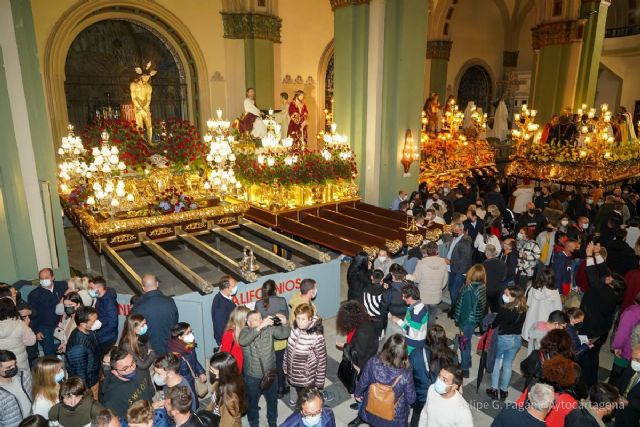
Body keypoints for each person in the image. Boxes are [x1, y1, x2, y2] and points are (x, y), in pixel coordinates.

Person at [350, 334, 416, 427]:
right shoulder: (406, 373)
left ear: (386, 346)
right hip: (394, 415)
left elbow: (363, 381)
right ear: (404, 352)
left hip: (373, 406)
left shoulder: (373, 361)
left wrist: (358, 394)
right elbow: (411, 399)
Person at [239, 310, 291, 427]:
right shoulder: (245, 332)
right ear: (248, 322)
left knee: (272, 401)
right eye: (256, 319)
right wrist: (260, 327)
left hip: (270, 374)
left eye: (260, 318)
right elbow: (243, 341)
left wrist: (285, 323)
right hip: (252, 377)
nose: (260, 321)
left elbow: (284, 334)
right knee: (252, 403)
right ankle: (254, 423)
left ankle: (272, 422)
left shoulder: (269, 329)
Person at [581, 242, 621, 386]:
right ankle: (592, 381)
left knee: (584, 356)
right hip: (602, 329)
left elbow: (592, 274)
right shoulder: (612, 292)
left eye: (610, 278)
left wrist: (588, 255)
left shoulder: (603, 292)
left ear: (611, 284)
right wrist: (597, 254)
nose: (607, 276)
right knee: (594, 355)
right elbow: (605, 273)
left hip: (590, 329)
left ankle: (583, 384)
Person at [409, 325, 457, 427]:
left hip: (420, 398)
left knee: (416, 417)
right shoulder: (452, 356)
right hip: (441, 398)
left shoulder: (415, 354)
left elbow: (409, 378)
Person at [487, 286, 527, 401]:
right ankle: (504, 390)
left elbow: (494, 324)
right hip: (517, 340)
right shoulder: (523, 309)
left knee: (496, 361)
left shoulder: (505, 310)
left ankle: (494, 389)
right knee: (508, 365)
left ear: (514, 297)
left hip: (503, 339)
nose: (504, 296)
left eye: (507, 294)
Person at [284, 303, 327, 403]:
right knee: (298, 396)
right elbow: (288, 349)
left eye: (303, 319)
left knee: (305, 402)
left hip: (306, 379)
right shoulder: (294, 329)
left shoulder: (317, 337)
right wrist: (285, 365)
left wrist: (319, 384)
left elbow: (322, 362)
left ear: (310, 319)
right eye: (298, 318)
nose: (299, 322)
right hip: (293, 374)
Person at [335, 300, 379, 393]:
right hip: (369, 352)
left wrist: (345, 346)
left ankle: (361, 397)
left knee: (362, 382)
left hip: (365, 361)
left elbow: (359, 353)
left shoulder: (363, 331)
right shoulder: (364, 320)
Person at [131, 274, 179, 355]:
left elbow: (136, 330)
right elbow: (175, 322)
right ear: (157, 284)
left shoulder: (138, 306)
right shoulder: (170, 301)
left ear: (143, 288)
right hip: (169, 346)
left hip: (150, 350)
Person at [453, 264, 487, 377]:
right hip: (474, 320)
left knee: (464, 344)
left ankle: (465, 368)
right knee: (467, 341)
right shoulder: (482, 286)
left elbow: (465, 310)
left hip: (466, 321)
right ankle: (468, 360)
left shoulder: (469, 289)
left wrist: (461, 326)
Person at [99, 347, 154, 418]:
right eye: (125, 368)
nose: (132, 368)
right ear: (115, 372)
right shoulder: (113, 397)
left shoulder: (139, 370)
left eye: (133, 363)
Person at [28, 268, 67, 356]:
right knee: (49, 352)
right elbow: (32, 315)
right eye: (41, 279)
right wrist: (36, 331)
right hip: (45, 326)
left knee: (70, 345)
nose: (44, 280)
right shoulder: (34, 295)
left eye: (46, 277)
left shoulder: (62, 286)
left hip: (63, 322)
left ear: (53, 277)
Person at [65, 306, 102, 394]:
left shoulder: (90, 331)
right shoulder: (78, 347)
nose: (97, 322)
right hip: (90, 383)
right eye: (93, 321)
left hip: (95, 375)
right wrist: (86, 391)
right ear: (83, 324)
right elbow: (79, 374)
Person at [168, 322, 206, 406]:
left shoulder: (188, 346)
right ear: (180, 337)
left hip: (191, 379)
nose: (191, 334)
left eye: (191, 331)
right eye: (188, 333)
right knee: (188, 403)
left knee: (194, 401)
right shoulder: (175, 354)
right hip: (183, 384)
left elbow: (194, 360)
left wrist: (201, 372)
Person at [412, 242, 448, 329]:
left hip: (424, 296)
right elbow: (445, 281)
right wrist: (438, 288)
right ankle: (430, 333)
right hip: (436, 296)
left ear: (427, 251)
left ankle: (422, 333)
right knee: (432, 315)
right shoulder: (443, 262)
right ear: (437, 251)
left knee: (423, 315)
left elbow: (416, 279)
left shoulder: (421, 263)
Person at [522, 269, 562, 343]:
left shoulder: (532, 288)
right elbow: (558, 309)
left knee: (530, 331)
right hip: (545, 319)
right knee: (541, 340)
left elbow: (528, 303)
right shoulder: (554, 293)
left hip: (532, 315)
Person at [207, 352, 245, 427]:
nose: (209, 371)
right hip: (217, 417)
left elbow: (225, 424)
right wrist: (207, 412)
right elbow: (214, 402)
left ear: (223, 372)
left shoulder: (230, 399)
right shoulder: (220, 381)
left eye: (212, 370)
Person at [390, 284, 428, 354]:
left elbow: (412, 333)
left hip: (412, 344)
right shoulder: (420, 305)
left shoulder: (416, 313)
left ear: (410, 297)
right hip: (416, 341)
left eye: (404, 297)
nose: (402, 298)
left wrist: (398, 321)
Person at [0, 298, 36, 372]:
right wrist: (26, 325)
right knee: (22, 381)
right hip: (19, 361)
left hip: (2, 363)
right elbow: (31, 341)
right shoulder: (20, 324)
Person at [0, 349, 32, 426]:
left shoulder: (24, 375)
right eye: (8, 367)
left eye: (15, 364)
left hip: (31, 421)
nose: (14, 368)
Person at [89, 277, 118, 358]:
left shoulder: (109, 303)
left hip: (106, 338)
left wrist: (97, 333)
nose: (90, 290)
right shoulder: (100, 298)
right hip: (102, 335)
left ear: (100, 288)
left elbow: (113, 324)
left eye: (91, 288)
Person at [446, 223, 473, 306]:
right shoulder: (454, 238)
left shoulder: (465, 242)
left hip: (460, 271)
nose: (454, 232)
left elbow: (464, 259)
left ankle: (455, 310)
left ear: (461, 230)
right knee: (451, 289)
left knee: (454, 291)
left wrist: (450, 262)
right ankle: (453, 307)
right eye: (453, 230)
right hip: (452, 268)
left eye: (456, 230)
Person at [613, 344, 640, 426]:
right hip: (620, 406)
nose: (634, 362)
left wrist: (629, 403)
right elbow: (622, 380)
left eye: (638, 360)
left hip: (634, 413)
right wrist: (615, 391)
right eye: (633, 358)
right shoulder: (632, 365)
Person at [380, 264, 410, 337]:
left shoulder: (388, 292)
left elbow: (383, 308)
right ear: (403, 276)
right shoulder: (411, 288)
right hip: (407, 318)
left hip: (393, 318)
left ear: (393, 277)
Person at [219, 305, 250, 373]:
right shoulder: (229, 334)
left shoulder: (245, 331)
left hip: (245, 369)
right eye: (248, 317)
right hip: (234, 372)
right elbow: (224, 357)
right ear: (242, 319)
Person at [210, 275, 238, 351]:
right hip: (228, 341)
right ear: (226, 288)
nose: (236, 287)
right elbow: (220, 329)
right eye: (233, 286)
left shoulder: (224, 297)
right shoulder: (220, 307)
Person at [362, 269, 387, 338]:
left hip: (367, 316)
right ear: (382, 279)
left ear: (371, 277)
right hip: (378, 318)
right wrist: (385, 289)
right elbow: (385, 307)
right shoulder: (383, 292)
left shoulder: (364, 289)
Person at [483, 244, 507, 313]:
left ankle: (483, 322)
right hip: (497, 289)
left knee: (484, 308)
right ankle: (493, 321)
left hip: (486, 290)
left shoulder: (484, 264)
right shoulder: (503, 264)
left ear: (486, 254)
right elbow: (504, 277)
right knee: (495, 308)